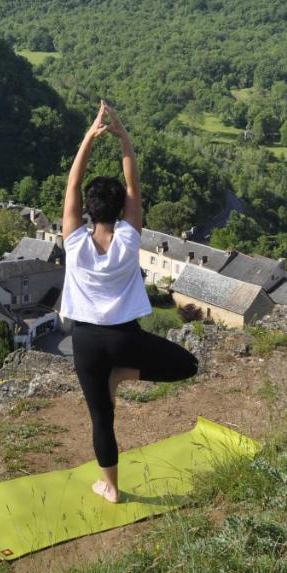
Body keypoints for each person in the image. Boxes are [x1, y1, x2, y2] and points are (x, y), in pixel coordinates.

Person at [60, 100, 199, 503]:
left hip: (85, 341)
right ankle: (122, 374)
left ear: (87, 210)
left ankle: (112, 488)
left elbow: (72, 185)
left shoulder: (74, 241)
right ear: (121, 210)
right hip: (124, 338)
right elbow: (133, 185)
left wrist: (88, 137)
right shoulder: (129, 237)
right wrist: (124, 140)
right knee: (188, 365)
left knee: (101, 418)